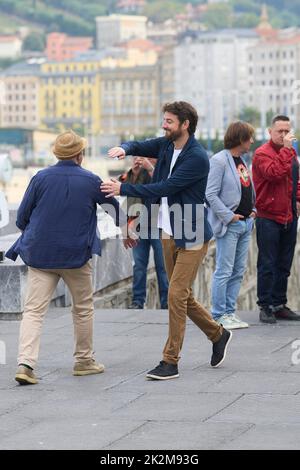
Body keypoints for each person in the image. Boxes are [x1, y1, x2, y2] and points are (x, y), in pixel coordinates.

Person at [101, 101, 232, 380]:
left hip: (192, 232)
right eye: (164, 120)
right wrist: (125, 148)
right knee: (182, 296)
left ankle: (170, 360)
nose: (164, 125)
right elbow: (139, 145)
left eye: (170, 121)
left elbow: (167, 187)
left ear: (185, 125)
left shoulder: (197, 157)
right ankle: (217, 334)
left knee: (174, 294)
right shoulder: (165, 146)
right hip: (167, 229)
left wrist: (123, 187)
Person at [6, 130, 136, 385]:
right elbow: (115, 212)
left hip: (41, 255)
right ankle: (84, 361)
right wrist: (127, 231)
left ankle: (25, 364)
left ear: (57, 154)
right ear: (80, 154)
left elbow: (22, 218)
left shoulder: (40, 178)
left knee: (33, 311)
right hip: (76, 255)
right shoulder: (91, 180)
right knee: (83, 309)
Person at [206, 121, 256, 330]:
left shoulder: (241, 160)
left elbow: (245, 189)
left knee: (237, 271)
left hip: (246, 223)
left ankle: (229, 312)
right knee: (224, 271)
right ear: (240, 139)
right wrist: (228, 216)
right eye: (249, 138)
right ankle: (218, 315)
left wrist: (253, 210)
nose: (252, 141)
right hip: (231, 225)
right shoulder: (219, 161)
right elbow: (210, 194)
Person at [252, 115, 300, 323]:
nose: (283, 134)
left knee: (284, 264)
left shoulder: (292, 154)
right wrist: (288, 151)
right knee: (267, 263)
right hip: (268, 216)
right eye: (279, 131)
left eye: (287, 131)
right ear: (270, 132)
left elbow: (296, 179)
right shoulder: (262, 154)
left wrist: (298, 200)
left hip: (289, 215)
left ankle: (279, 303)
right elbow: (274, 173)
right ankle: (265, 305)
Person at [119, 156, 169, 309]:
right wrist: (134, 173)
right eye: (139, 157)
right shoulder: (137, 173)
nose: (142, 160)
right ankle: (138, 301)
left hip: (160, 227)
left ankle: (166, 302)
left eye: (147, 157)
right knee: (139, 266)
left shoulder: (162, 169)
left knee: (163, 266)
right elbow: (126, 192)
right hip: (139, 227)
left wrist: (150, 168)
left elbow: (164, 186)